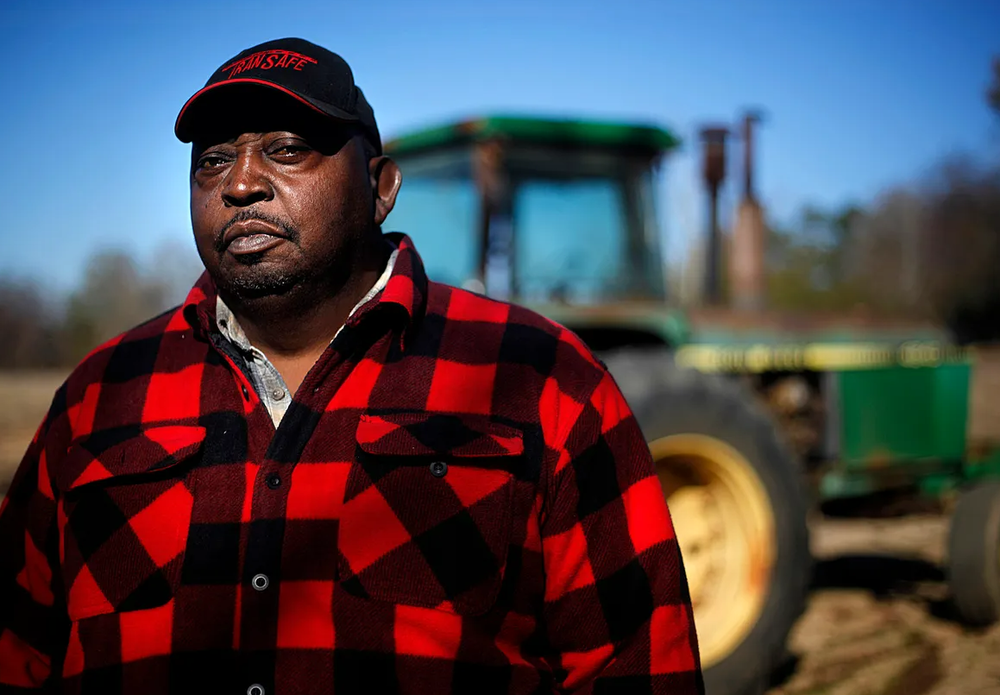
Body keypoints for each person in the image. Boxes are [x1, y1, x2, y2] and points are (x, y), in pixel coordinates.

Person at [0, 38, 703, 694]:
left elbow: (637, 663)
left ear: (381, 187)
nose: (241, 184)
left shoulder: (542, 380)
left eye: (286, 149)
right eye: (214, 160)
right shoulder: (101, 396)